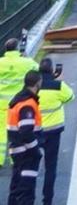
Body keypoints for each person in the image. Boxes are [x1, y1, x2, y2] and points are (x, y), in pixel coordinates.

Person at [37, 58, 75, 205]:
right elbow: (71, 97)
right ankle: (48, 199)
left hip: (35, 130)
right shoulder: (58, 85)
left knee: (32, 166)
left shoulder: (35, 85)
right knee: (50, 167)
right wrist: (60, 80)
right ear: (52, 70)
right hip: (53, 131)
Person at [0, 38, 39, 167]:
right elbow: (37, 70)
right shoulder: (26, 62)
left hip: (1, 104)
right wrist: (26, 57)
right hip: (18, 104)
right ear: (18, 49)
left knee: (1, 133)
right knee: (16, 132)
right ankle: (14, 159)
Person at [7, 70, 42, 205]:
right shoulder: (27, 104)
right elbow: (26, 132)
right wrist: (36, 151)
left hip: (18, 152)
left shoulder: (18, 99)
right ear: (38, 83)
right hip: (26, 154)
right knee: (26, 191)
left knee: (16, 189)